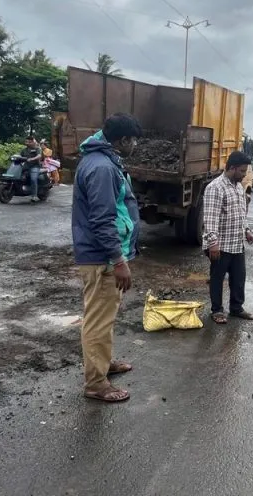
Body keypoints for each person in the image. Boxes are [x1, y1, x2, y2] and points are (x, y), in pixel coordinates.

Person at [71, 114, 142, 403]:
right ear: (123, 140)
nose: (135, 145)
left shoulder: (104, 160)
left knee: (103, 315)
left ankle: (103, 362)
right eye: (133, 139)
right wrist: (118, 260)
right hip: (103, 258)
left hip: (103, 255)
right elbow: (102, 220)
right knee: (98, 320)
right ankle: (96, 383)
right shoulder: (101, 167)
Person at [202, 151, 253, 324]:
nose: (243, 175)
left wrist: (247, 230)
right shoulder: (215, 187)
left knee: (239, 277)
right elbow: (210, 218)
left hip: (236, 242)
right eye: (242, 171)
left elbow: (241, 213)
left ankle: (236, 308)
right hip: (220, 244)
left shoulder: (238, 186)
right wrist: (213, 243)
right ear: (232, 168)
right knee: (218, 278)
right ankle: (217, 310)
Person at [23, 135, 44, 202]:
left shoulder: (37, 148)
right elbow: (20, 155)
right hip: (25, 167)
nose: (26, 143)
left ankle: (34, 196)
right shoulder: (24, 150)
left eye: (28, 142)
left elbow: (39, 156)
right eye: (26, 141)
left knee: (33, 179)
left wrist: (32, 159)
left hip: (35, 167)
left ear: (32, 142)